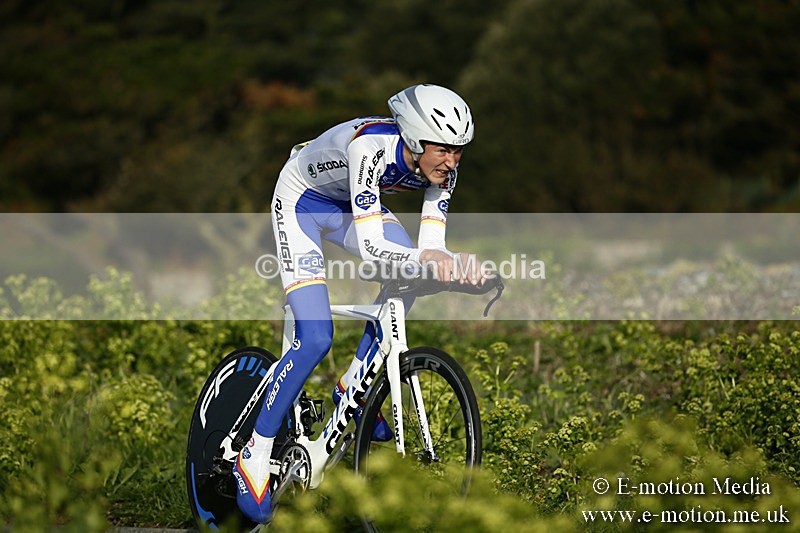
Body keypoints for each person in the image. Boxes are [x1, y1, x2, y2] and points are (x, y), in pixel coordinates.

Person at [233, 84, 486, 523]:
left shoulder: (443, 170)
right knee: (315, 337)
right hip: (301, 203)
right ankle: (254, 450)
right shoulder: (369, 148)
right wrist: (430, 263)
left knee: (412, 276)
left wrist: (458, 266)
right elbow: (372, 249)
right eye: (443, 149)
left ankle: (353, 384)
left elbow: (432, 246)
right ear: (414, 139)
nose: (451, 161)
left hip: (349, 206)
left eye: (458, 151)